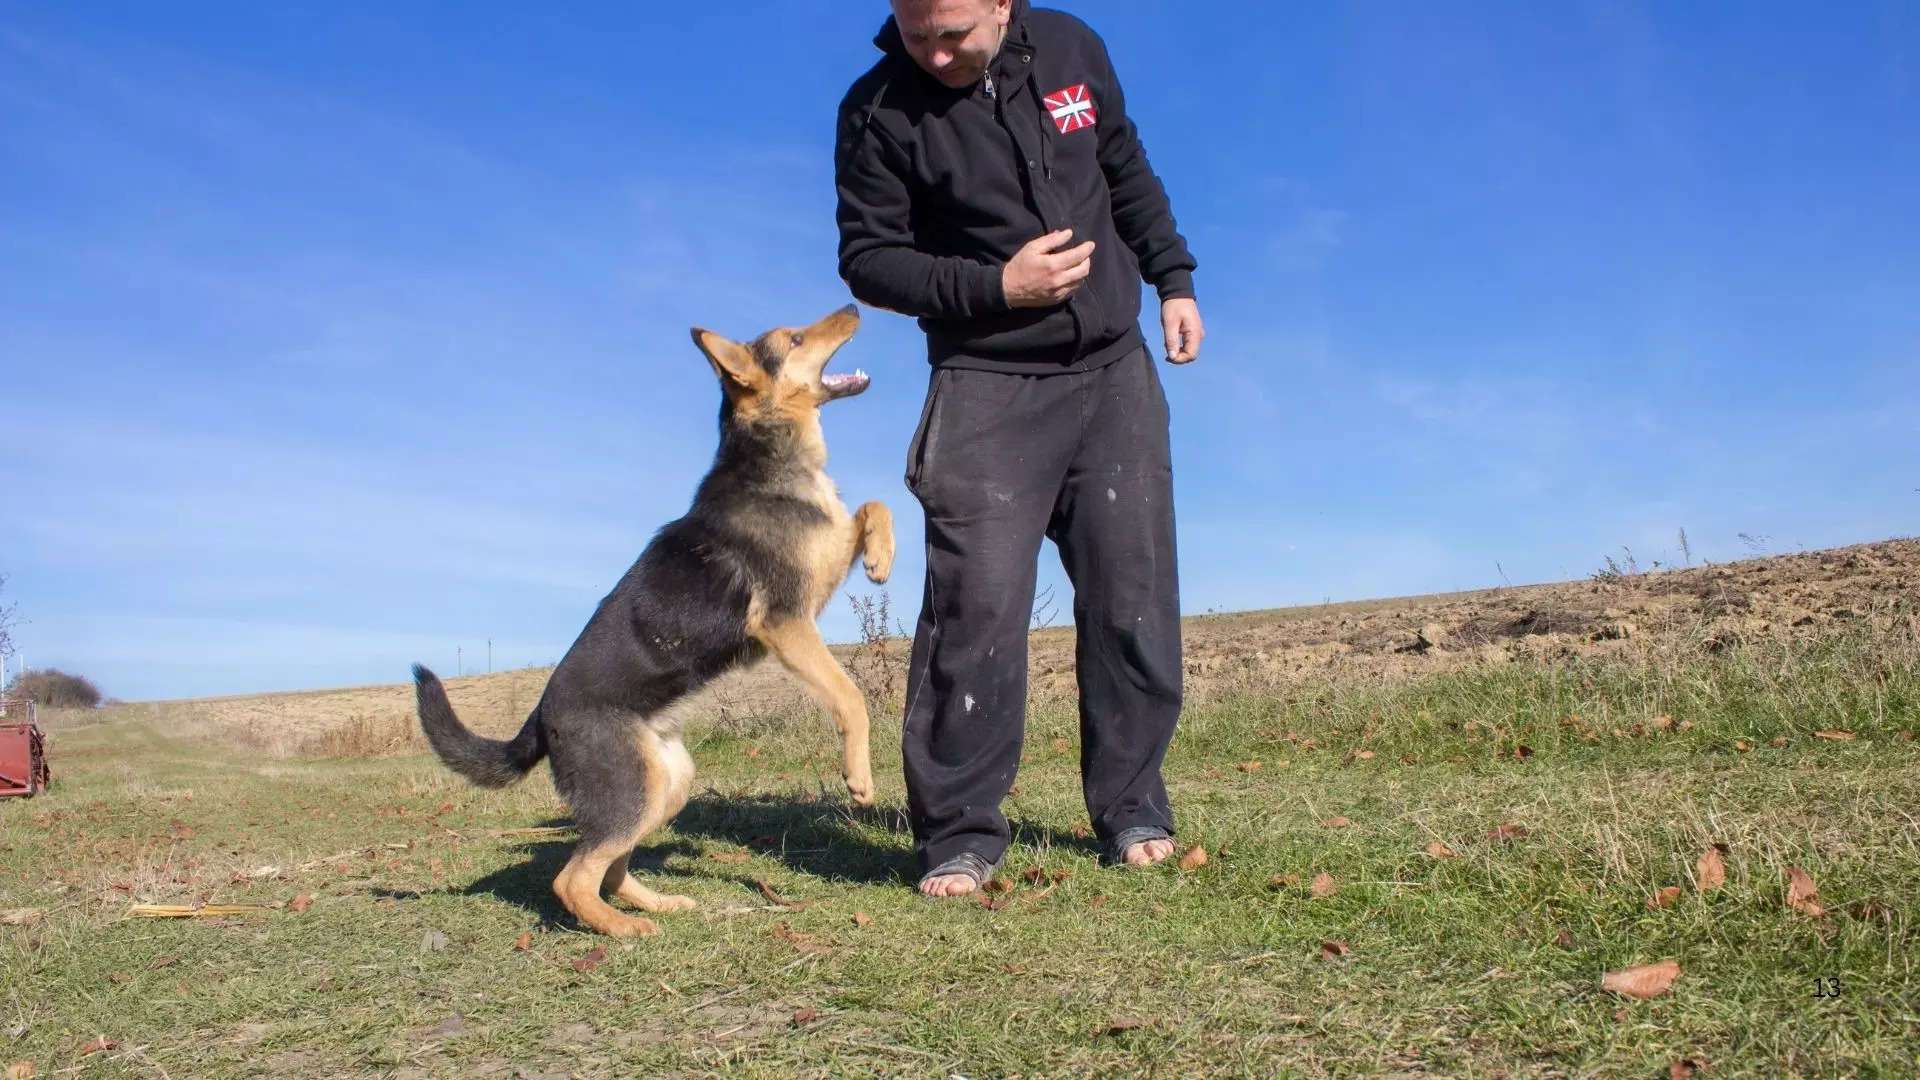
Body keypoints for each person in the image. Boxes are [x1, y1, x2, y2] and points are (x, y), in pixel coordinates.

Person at [834, 0, 1203, 897]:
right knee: (976, 609)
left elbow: (1123, 164)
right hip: (985, 384)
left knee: (1132, 595)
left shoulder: (1075, 49)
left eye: (953, 30)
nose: (935, 51)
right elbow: (870, 258)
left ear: (1003, 4)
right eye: (916, 33)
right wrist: (997, 285)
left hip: (1112, 371)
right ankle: (959, 832)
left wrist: (1173, 279)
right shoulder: (877, 110)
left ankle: (1131, 807)